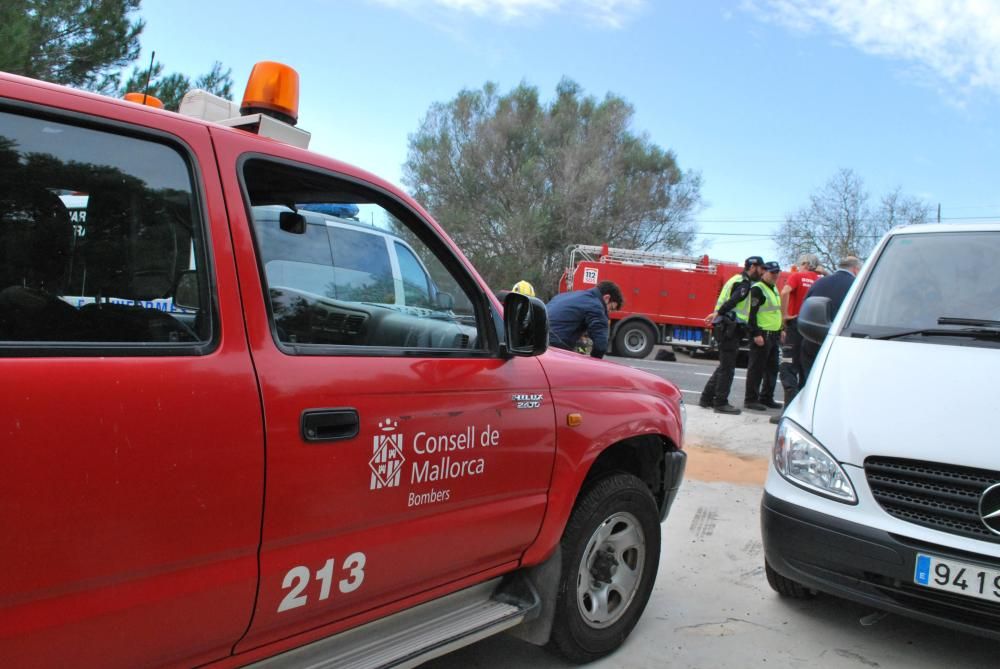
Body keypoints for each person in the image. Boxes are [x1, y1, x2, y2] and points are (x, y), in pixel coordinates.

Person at [698, 255, 765, 414]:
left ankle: (706, 398)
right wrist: (718, 313)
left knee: (724, 366)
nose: (762, 272)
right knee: (727, 369)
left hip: (726, 326)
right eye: (761, 268)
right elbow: (734, 301)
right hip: (729, 328)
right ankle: (721, 403)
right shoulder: (744, 283)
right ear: (753, 267)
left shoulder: (736, 279)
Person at [799, 255, 863, 381]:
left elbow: (805, 306)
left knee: (809, 382)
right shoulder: (857, 286)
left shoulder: (819, 282)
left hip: (812, 338)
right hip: (841, 342)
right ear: (856, 270)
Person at [777, 253, 821, 406]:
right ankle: (802, 407)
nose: (799, 266)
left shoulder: (796, 277)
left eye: (800, 263)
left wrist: (785, 315)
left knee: (787, 366)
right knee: (805, 367)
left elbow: (784, 292)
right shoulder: (819, 280)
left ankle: (788, 408)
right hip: (811, 328)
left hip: (795, 325)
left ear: (806, 264)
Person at [546, 280, 623, 359]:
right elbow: (601, 345)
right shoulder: (596, 306)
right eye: (611, 308)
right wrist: (594, 362)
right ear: (607, 298)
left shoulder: (565, 296)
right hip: (555, 347)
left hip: (539, 341)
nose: (608, 312)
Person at [745, 261, 784, 411]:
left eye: (777, 272)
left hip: (773, 335)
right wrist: (755, 334)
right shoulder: (757, 289)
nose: (775, 275)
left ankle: (766, 397)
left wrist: (781, 330)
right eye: (772, 272)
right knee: (757, 369)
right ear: (764, 272)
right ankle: (751, 400)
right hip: (762, 335)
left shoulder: (773, 288)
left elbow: (775, 312)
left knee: (772, 369)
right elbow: (751, 314)